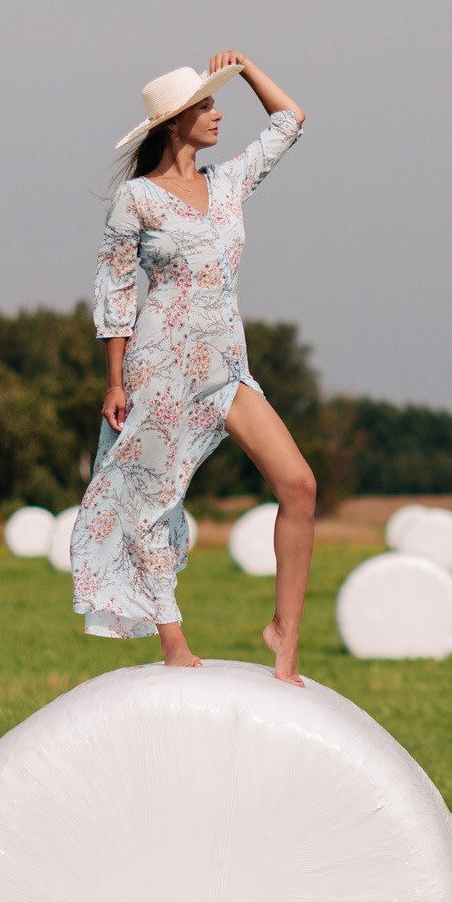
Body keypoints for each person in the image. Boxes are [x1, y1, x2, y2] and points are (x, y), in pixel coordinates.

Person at [70, 53, 315, 682]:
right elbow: (116, 294)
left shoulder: (228, 183)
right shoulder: (137, 201)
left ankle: (285, 634)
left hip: (228, 367)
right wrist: (116, 381)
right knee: (153, 501)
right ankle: (172, 640)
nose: (218, 113)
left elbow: (290, 120)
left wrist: (250, 67)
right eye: (206, 104)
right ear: (175, 121)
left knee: (300, 486)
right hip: (162, 371)